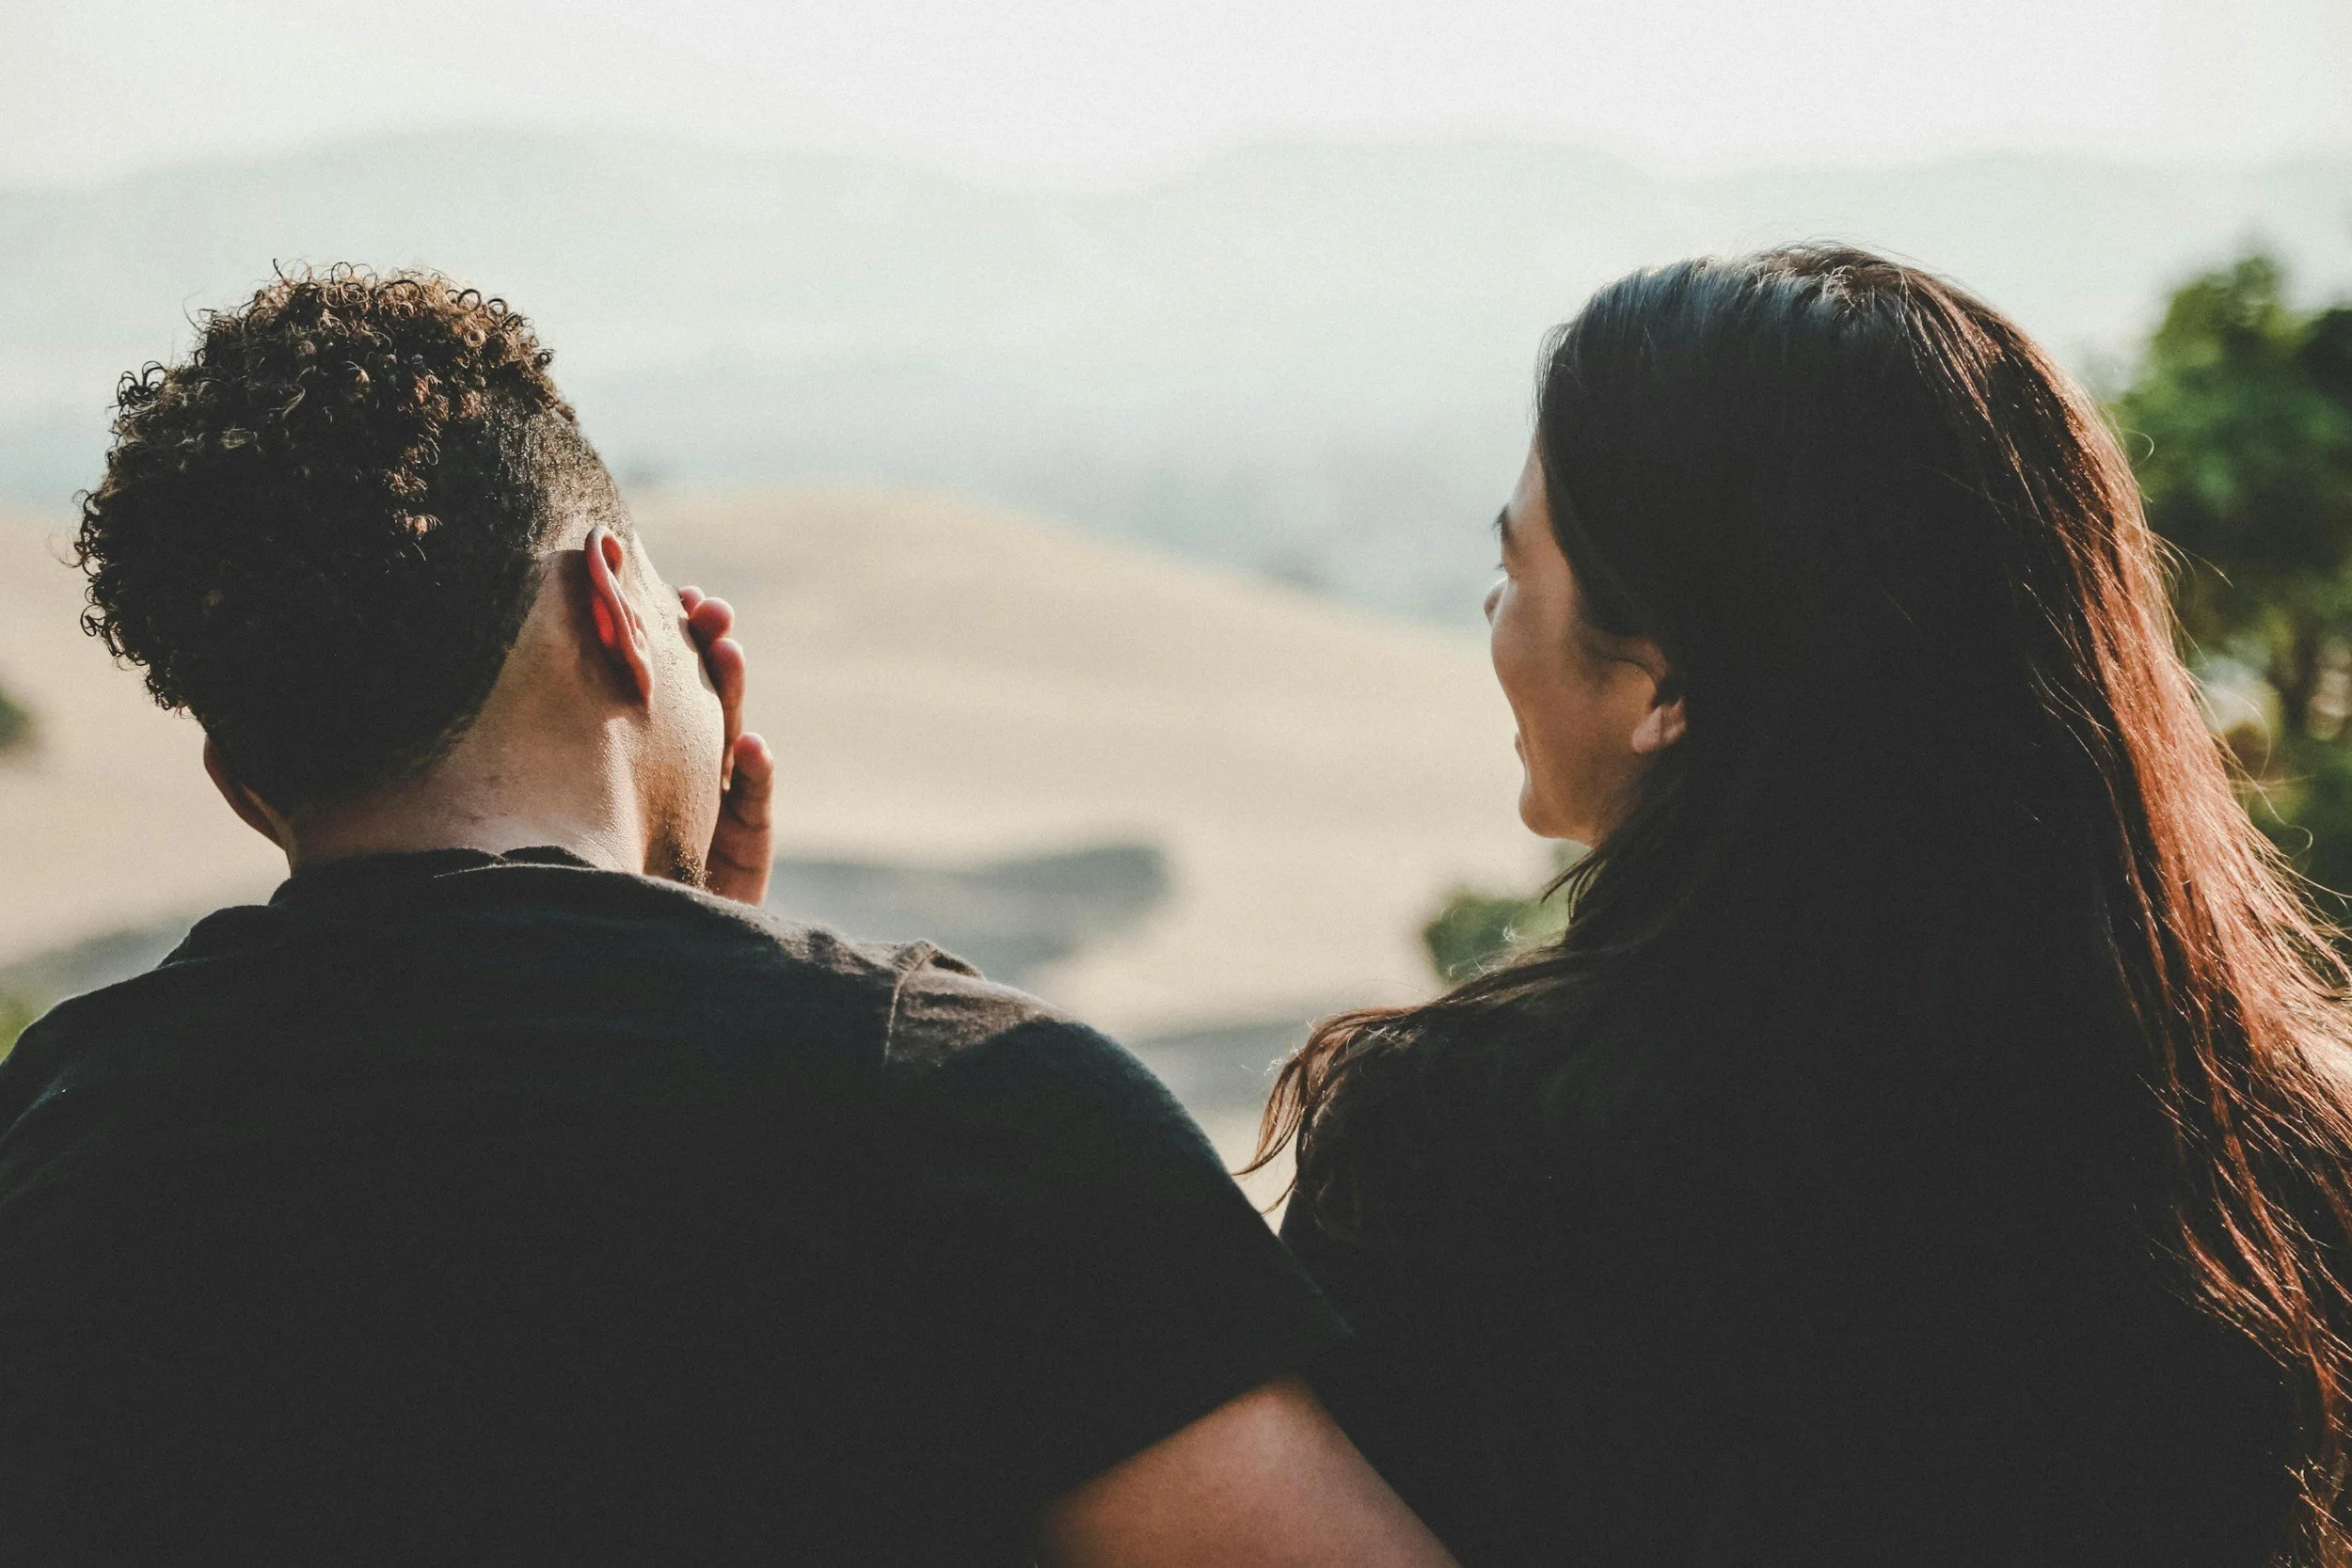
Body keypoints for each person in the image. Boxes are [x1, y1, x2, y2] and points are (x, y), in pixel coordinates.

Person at [0, 267, 1452, 1568]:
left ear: (245, 782)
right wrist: (728, 979)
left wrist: (681, 942)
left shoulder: (57, 1130)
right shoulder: (966, 1110)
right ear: (620, 609)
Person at [1256, 245, 2352, 1567]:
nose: (1496, 607)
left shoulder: (1458, 1150)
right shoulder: (2272, 1146)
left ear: (1662, 686)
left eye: (1521, 564)